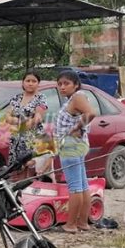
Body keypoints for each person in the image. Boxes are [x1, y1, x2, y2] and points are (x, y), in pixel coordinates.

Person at [54, 71, 95, 233]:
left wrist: (77, 128)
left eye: (66, 83)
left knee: (75, 187)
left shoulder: (77, 97)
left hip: (71, 146)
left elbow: (91, 113)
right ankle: (82, 222)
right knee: (83, 185)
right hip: (76, 146)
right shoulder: (75, 98)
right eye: (60, 84)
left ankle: (70, 225)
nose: (62, 87)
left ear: (76, 84)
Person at [6, 71, 48, 177]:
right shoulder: (16, 98)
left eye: (34, 81)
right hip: (16, 140)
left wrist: (19, 121)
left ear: (38, 83)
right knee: (16, 171)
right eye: (28, 81)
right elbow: (7, 117)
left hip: (32, 139)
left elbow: (37, 118)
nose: (30, 83)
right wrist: (21, 121)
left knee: (30, 171)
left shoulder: (41, 98)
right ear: (23, 83)